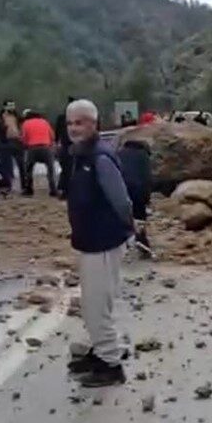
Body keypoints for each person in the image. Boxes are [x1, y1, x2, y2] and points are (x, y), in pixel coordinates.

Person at [64, 99, 134, 387]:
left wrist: (128, 228)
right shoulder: (82, 155)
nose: (73, 128)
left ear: (93, 124)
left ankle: (110, 364)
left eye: (79, 123)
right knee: (95, 302)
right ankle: (101, 350)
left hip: (103, 241)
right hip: (91, 241)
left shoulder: (99, 158)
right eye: (70, 123)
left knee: (96, 306)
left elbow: (121, 200)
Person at [117, 139, 153, 259]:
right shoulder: (143, 155)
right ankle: (142, 242)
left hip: (121, 188)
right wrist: (147, 198)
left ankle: (123, 244)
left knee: (122, 217)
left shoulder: (119, 153)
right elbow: (146, 177)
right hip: (138, 188)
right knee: (139, 217)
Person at [21, 111, 57, 197]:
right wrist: (50, 144)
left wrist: (25, 145)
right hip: (46, 148)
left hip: (32, 148)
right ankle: (53, 190)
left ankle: (29, 189)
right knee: (51, 170)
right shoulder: (45, 122)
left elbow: (24, 138)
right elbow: (52, 136)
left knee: (29, 169)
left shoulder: (26, 123)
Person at [0, 101, 23, 196]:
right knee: (6, 165)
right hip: (6, 142)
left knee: (22, 164)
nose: (12, 107)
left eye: (13, 105)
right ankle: (8, 185)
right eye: (9, 105)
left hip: (17, 141)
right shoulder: (1, 117)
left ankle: (24, 185)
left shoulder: (17, 116)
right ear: (4, 107)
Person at [55, 97, 75, 200]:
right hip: (72, 145)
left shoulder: (62, 118)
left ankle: (64, 189)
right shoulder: (79, 118)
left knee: (66, 168)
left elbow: (57, 133)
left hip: (65, 145)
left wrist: (56, 142)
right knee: (70, 168)